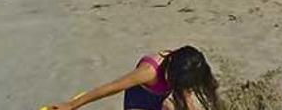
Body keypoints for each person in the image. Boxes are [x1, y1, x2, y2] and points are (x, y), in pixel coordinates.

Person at [43, 46, 222, 110]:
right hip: (139, 103)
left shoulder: (187, 66)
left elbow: (187, 96)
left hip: (160, 100)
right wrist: (71, 105)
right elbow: (111, 88)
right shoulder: (148, 72)